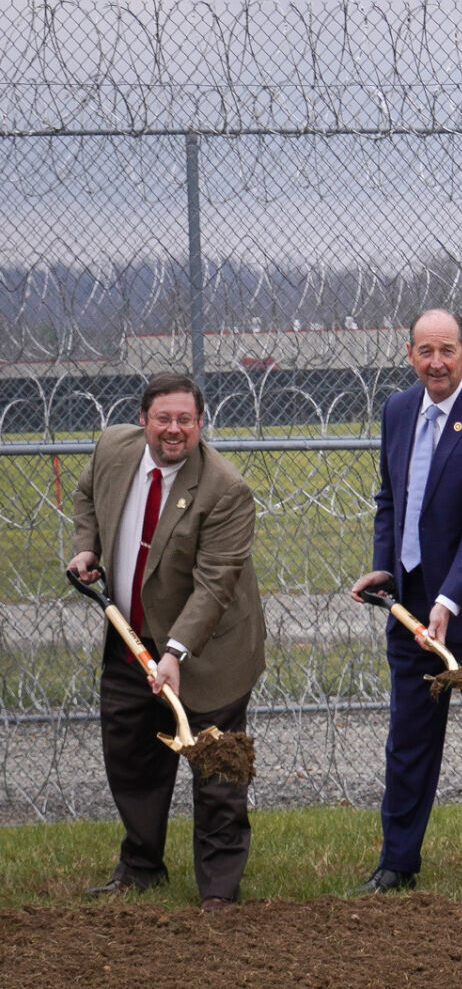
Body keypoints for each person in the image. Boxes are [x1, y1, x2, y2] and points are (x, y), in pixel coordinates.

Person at [67, 372, 267, 914]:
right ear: (143, 420)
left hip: (210, 649)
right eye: (164, 419)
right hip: (130, 639)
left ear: (200, 424)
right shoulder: (114, 449)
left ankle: (220, 888)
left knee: (217, 766)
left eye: (186, 420)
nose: (174, 430)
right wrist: (88, 548)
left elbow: (214, 584)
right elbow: (86, 495)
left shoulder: (225, 489)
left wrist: (175, 653)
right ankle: (140, 867)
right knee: (132, 758)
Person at [349, 308, 462, 894]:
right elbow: (390, 498)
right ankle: (397, 863)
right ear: (410, 355)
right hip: (411, 610)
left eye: (447, 350)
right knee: (409, 743)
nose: (436, 362)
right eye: (425, 351)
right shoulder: (398, 410)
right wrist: (385, 566)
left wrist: (449, 601)